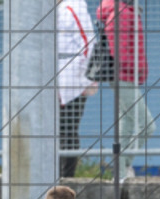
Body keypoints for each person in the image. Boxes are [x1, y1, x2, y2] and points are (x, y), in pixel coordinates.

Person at [96, 0, 155, 179]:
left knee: (127, 124)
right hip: (124, 77)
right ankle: (123, 166)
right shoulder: (122, 12)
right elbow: (118, 51)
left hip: (126, 76)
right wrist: (136, 69)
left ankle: (120, 172)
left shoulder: (126, 10)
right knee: (147, 125)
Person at [57, 0, 96, 178]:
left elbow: (88, 42)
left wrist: (83, 76)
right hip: (60, 82)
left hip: (72, 82)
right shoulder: (59, 9)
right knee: (57, 131)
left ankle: (66, 176)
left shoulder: (74, 7)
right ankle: (57, 174)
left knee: (68, 129)